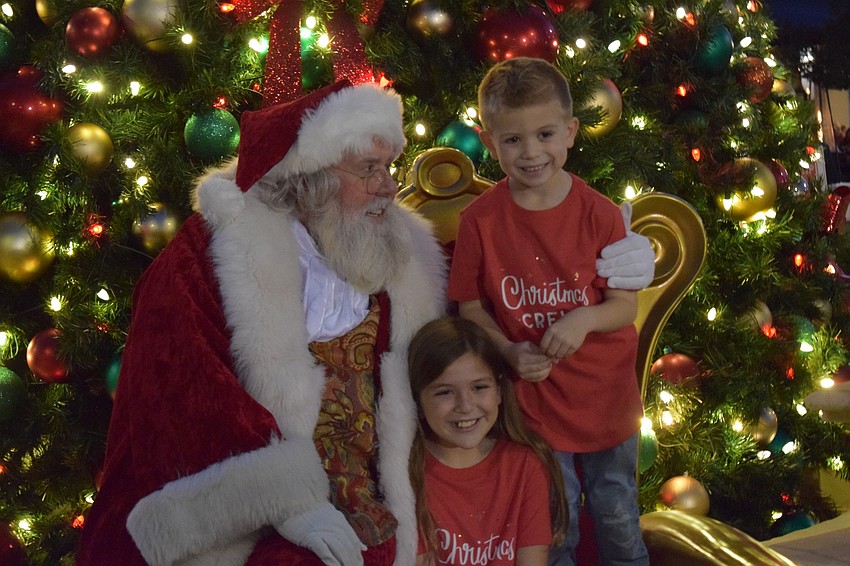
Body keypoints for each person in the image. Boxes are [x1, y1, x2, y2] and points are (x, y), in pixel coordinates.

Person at [76, 78, 653, 565]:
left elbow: (483, 296)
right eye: (369, 169)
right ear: (312, 179)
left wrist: (613, 263)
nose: (390, 186)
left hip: (377, 497)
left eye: (390, 167)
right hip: (253, 510)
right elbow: (179, 400)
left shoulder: (395, 249)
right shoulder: (208, 262)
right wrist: (290, 502)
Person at [447, 57, 650, 566]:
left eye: (544, 135)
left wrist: (584, 319)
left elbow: (624, 306)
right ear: (489, 142)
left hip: (605, 399)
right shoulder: (479, 221)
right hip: (535, 404)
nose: (531, 152)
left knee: (617, 517)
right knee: (555, 526)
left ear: (570, 132)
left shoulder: (600, 213)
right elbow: (470, 306)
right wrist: (508, 351)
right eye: (513, 140)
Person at [408, 316, 567, 566]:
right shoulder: (408, 476)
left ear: (499, 391)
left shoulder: (526, 466)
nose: (465, 405)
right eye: (444, 392)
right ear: (417, 402)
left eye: (479, 387)